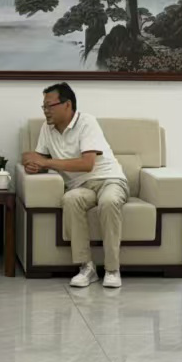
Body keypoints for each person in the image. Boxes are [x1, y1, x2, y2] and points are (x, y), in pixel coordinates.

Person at [21, 81, 130, 290]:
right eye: (44, 106)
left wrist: (46, 162)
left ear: (67, 104)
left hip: (110, 179)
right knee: (70, 199)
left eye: (50, 106)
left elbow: (87, 164)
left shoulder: (87, 122)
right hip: (81, 187)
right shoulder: (47, 128)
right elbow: (36, 157)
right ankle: (86, 267)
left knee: (109, 201)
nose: (45, 111)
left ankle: (112, 269)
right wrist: (32, 164)